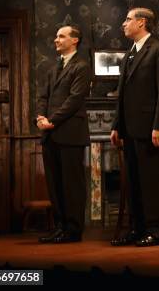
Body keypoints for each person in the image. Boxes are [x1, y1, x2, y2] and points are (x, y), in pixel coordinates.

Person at [110, 7, 159, 247]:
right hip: (130, 129)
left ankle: (155, 229)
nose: (123, 24)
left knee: (151, 181)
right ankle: (137, 228)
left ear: (142, 22)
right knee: (134, 182)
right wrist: (117, 125)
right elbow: (122, 94)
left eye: (127, 20)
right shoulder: (130, 53)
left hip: (150, 129)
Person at [36, 25, 91, 243]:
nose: (56, 40)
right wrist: (41, 117)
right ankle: (59, 227)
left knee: (72, 185)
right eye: (56, 36)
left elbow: (74, 99)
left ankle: (73, 230)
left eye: (61, 36)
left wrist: (52, 120)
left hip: (70, 133)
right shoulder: (53, 68)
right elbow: (43, 96)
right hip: (50, 134)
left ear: (74, 40)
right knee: (55, 184)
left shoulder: (82, 66)